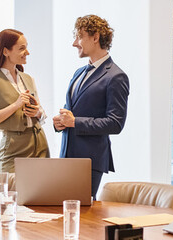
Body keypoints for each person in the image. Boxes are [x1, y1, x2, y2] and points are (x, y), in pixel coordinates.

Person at [53, 15, 129, 199]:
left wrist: (74, 122)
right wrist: (60, 122)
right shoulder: (78, 72)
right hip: (66, 157)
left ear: (95, 37)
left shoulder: (116, 77)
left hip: (89, 161)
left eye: (79, 37)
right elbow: (71, 111)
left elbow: (115, 123)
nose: (74, 43)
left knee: (82, 217)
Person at [0, 29, 50, 172]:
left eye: (26, 47)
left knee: (41, 192)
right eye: (22, 48)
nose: (27, 52)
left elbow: (41, 113)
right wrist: (16, 105)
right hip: (13, 147)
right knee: (9, 191)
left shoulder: (28, 78)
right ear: (6, 51)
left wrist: (37, 112)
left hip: (40, 143)